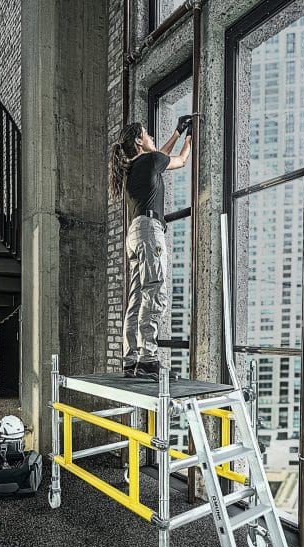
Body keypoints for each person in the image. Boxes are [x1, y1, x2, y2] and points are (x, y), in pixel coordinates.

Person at [108, 115, 193, 379]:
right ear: (139, 141)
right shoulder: (150, 161)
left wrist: (176, 133)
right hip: (149, 231)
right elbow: (178, 160)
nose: (152, 137)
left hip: (134, 234)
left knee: (135, 298)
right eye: (148, 134)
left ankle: (131, 359)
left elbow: (159, 157)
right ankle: (149, 359)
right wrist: (190, 137)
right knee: (155, 292)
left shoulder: (134, 168)